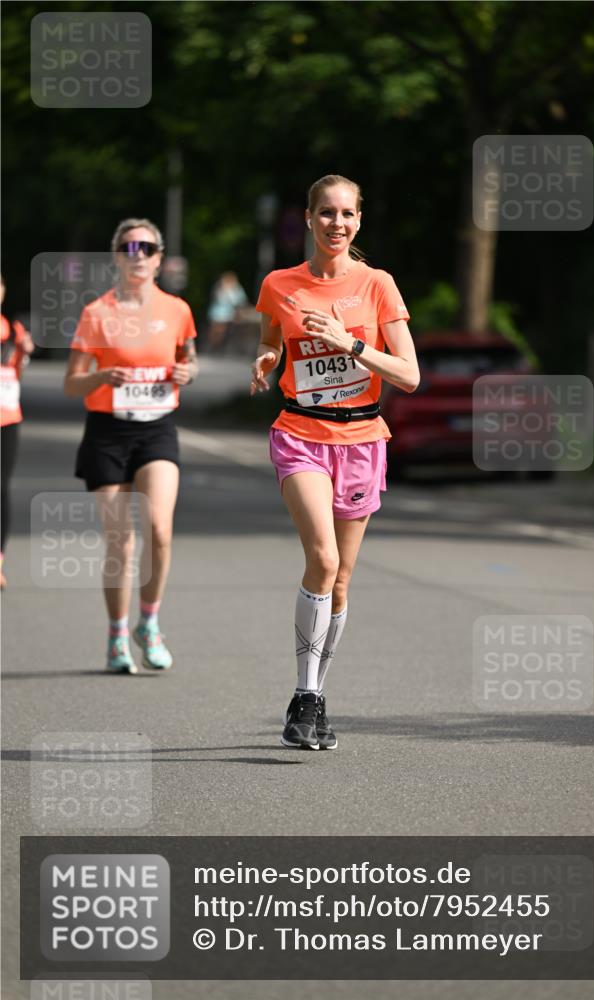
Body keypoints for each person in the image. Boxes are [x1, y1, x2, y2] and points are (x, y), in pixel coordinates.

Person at [252, 174, 419, 750]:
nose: (337, 224)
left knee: (342, 582)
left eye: (347, 214)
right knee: (321, 559)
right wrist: (267, 359)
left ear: (359, 221)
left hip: (363, 439)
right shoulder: (280, 283)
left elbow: (409, 374)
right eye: (326, 213)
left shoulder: (377, 285)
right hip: (300, 433)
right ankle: (303, 696)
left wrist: (349, 343)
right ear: (308, 218)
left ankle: (318, 695)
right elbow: (275, 341)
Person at [64, 218, 198, 673]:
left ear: (159, 258)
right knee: (121, 542)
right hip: (107, 432)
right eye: (127, 247)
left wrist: (186, 372)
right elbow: (71, 385)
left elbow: (189, 359)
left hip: (157, 429)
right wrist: (100, 376)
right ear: (117, 256)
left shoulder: (177, 309)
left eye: (146, 247)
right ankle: (117, 636)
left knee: (159, 529)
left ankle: (149, 623)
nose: (137, 254)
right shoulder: (97, 313)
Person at [1, 275, 35, 589]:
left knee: (2, 486)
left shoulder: (13, 329)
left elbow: (15, 373)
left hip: (8, 416)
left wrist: (23, 352)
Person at [206, 271, 248, 351]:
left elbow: (240, 301)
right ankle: (214, 345)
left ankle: (218, 345)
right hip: (217, 313)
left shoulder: (237, 289)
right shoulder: (219, 288)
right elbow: (217, 299)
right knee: (216, 329)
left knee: (224, 329)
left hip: (229, 314)